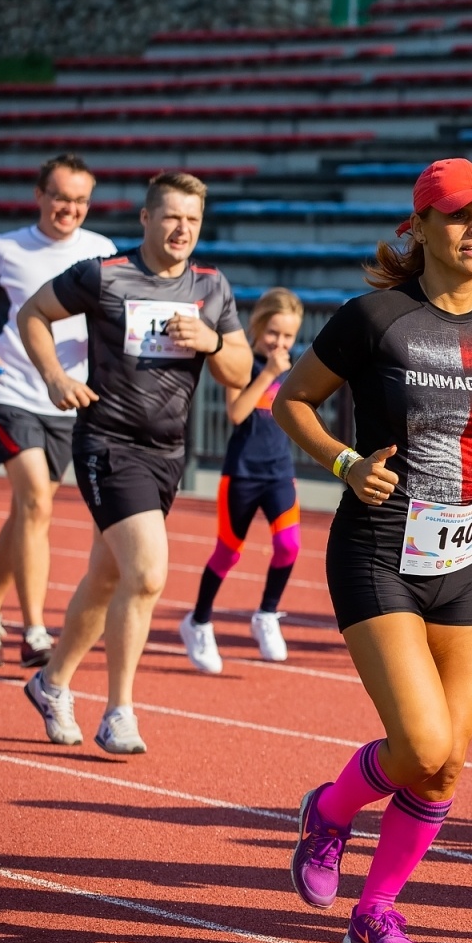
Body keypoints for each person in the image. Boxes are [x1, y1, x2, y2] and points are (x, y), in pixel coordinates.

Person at [273, 158, 472, 943]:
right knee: (422, 742)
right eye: (462, 216)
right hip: (378, 547)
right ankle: (330, 812)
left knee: (444, 767)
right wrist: (342, 463)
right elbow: (290, 401)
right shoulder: (373, 318)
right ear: (422, 227)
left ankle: (376, 912)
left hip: (467, 552)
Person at [19, 171, 252, 755]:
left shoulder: (211, 287)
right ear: (146, 219)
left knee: (107, 577)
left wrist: (212, 341)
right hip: (107, 441)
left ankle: (51, 683)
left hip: (166, 453)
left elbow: (241, 372)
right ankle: (119, 710)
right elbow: (32, 314)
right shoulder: (105, 275)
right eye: (172, 217)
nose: (182, 229)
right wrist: (54, 377)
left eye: (193, 220)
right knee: (146, 572)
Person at [0, 154, 117, 668]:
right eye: (61, 197)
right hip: (11, 390)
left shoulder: (102, 252)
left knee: (28, 510)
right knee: (36, 502)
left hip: (72, 401)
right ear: (39, 196)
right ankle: (36, 630)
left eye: (80, 200)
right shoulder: (4, 249)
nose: (70, 208)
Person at [179, 287, 304, 672]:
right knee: (228, 553)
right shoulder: (241, 362)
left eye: (287, 337)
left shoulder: (294, 366)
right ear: (256, 328)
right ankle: (198, 621)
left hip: (280, 471)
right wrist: (267, 372)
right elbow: (236, 412)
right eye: (273, 334)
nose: (280, 343)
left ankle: (266, 614)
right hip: (242, 473)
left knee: (289, 546)